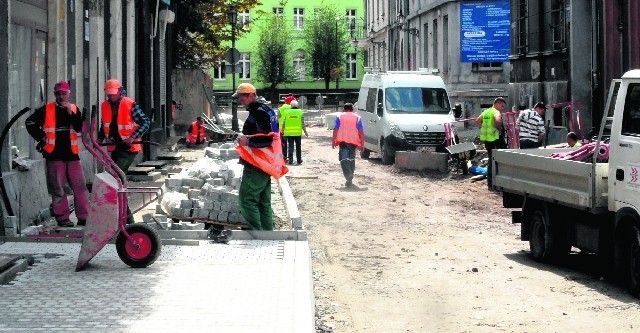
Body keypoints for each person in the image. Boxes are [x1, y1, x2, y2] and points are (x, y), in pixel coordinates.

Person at [26, 81, 89, 227]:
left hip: (72, 155)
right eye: (58, 94)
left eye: (63, 93)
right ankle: (62, 218)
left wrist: (70, 113)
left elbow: (79, 128)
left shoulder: (74, 109)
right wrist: (41, 137)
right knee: (58, 188)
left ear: (69, 93)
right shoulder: (46, 109)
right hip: (54, 155)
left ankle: (83, 216)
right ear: (55, 94)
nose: (61, 96)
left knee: (80, 186)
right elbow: (30, 123)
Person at [99, 79, 150, 223]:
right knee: (117, 181)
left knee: (114, 178)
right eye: (108, 95)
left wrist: (132, 137)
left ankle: (126, 219)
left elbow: (145, 122)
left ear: (120, 91)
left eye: (113, 94)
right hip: (115, 147)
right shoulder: (105, 106)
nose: (111, 97)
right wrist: (99, 138)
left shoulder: (129, 104)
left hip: (128, 149)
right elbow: (105, 125)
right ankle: (124, 219)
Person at [234, 83, 283, 231]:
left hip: (257, 163)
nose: (240, 101)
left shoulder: (259, 112)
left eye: (242, 98)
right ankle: (268, 234)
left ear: (251, 95)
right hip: (266, 163)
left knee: (247, 200)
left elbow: (269, 139)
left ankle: (257, 234)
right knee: (263, 202)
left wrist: (247, 140)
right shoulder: (267, 110)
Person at [476, 97, 506, 190]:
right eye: (502, 106)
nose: (502, 108)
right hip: (496, 139)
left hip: (487, 140)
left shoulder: (486, 111)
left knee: (490, 160)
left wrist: (486, 127)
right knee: (500, 160)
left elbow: (478, 120)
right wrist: (499, 129)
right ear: (497, 103)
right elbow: (497, 120)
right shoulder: (496, 112)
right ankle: (499, 183)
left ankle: (490, 183)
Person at [332, 103, 365, 187]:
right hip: (353, 142)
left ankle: (348, 175)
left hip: (343, 142)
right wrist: (362, 144)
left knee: (344, 159)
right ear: (352, 109)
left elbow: (336, 129)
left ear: (344, 109)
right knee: (351, 160)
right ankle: (350, 178)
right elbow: (361, 132)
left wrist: (333, 140)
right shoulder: (357, 117)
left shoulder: (340, 117)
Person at [281, 100, 309, 165]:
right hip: (297, 133)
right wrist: (305, 132)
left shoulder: (287, 112)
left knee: (290, 146)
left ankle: (290, 160)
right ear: (297, 106)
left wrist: (282, 130)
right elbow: (302, 123)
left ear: (291, 105)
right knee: (298, 147)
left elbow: (284, 122)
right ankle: (299, 160)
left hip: (289, 133)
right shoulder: (300, 112)